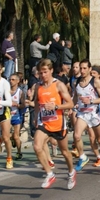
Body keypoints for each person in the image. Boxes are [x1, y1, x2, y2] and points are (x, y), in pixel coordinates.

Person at [33, 58, 75, 189]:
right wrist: (35, 117)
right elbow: (36, 104)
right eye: (40, 73)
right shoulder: (38, 87)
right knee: (37, 146)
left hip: (58, 124)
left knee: (65, 152)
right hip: (44, 124)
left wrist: (56, 107)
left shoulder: (58, 85)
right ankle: (49, 173)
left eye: (45, 72)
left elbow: (70, 104)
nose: (43, 75)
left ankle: (71, 172)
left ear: (51, 71)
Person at [73, 60, 100, 171]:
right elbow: (75, 96)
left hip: (94, 114)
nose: (82, 71)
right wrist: (73, 106)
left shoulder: (96, 82)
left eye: (85, 68)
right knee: (77, 136)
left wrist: (91, 101)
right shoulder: (77, 82)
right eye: (81, 68)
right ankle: (82, 157)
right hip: (82, 114)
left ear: (89, 69)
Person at [9, 73, 25, 160]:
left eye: (13, 80)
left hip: (16, 115)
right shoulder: (6, 91)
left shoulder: (20, 92)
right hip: (7, 116)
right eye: (10, 80)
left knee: (16, 136)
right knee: (6, 136)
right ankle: (12, 141)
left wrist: (17, 105)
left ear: (18, 81)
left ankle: (19, 152)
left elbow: (23, 105)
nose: (11, 81)